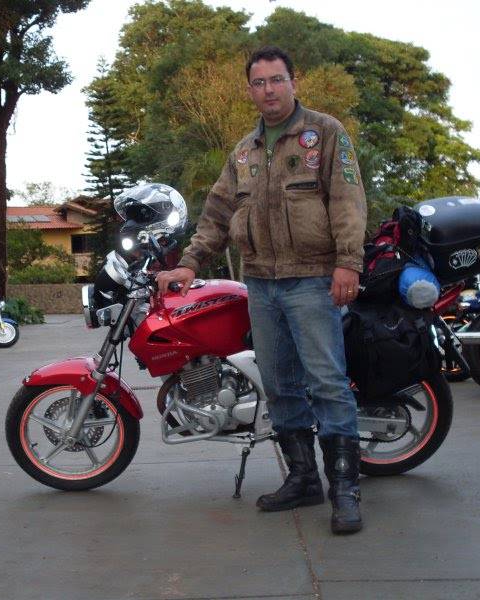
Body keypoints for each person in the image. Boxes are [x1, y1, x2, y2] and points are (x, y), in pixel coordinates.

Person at [156, 46, 367, 534]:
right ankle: (303, 478)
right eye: (259, 82)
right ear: (250, 90)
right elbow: (217, 213)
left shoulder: (325, 133)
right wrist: (189, 263)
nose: (268, 90)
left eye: (276, 80)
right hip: (261, 284)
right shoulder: (244, 151)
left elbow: (348, 200)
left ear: (294, 82)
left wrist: (347, 263)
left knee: (327, 384)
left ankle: (345, 489)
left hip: (313, 278)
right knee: (279, 385)